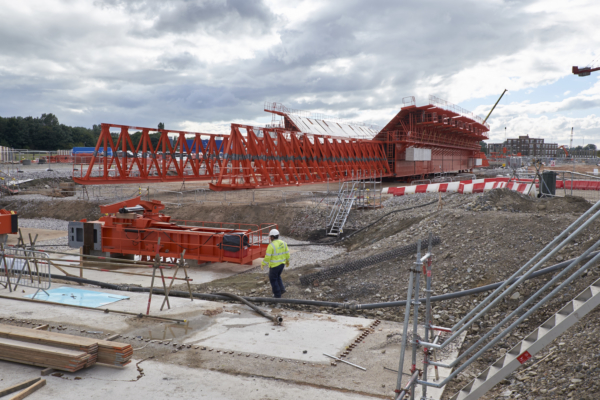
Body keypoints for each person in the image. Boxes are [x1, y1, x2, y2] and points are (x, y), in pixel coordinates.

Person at [261, 229, 290, 298]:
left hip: (274, 266)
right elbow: (287, 254)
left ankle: (277, 295)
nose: (270, 238)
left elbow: (267, 257)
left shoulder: (271, 245)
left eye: (270, 237)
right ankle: (282, 289)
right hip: (282, 264)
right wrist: (287, 261)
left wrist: (263, 263)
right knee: (278, 276)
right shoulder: (284, 243)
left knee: (273, 279)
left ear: (272, 237)